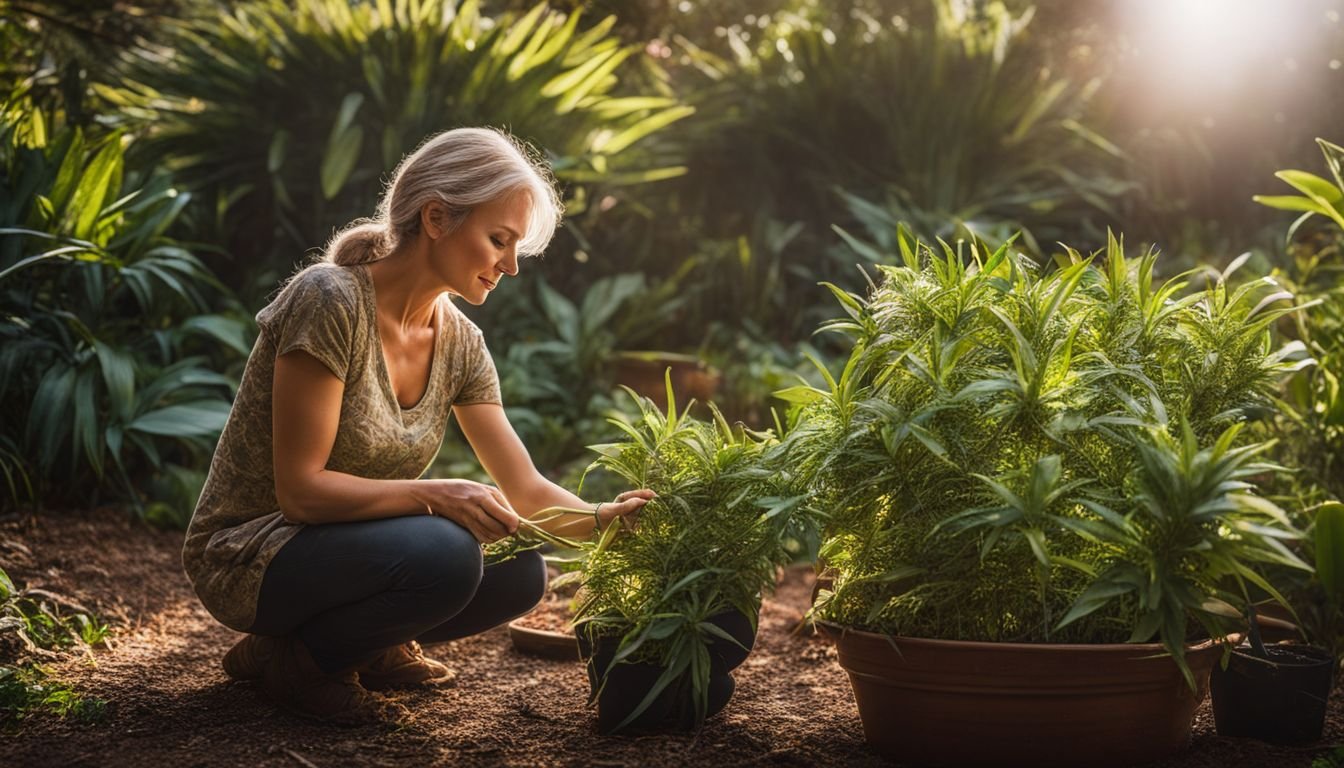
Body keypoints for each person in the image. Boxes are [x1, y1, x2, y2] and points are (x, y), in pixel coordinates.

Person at [181, 127, 652, 725]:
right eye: (498, 240)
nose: (509, 265)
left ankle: (345, 646)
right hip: (251, 553)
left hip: (342, 551)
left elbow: (526, 491)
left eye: (515, 248)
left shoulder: (461, 342)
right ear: (436, 217)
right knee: (448, 553)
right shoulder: (330, 300)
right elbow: (300, 493)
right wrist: (437, 495)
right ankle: (302, 669)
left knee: (519, 567)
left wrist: (600, 521)